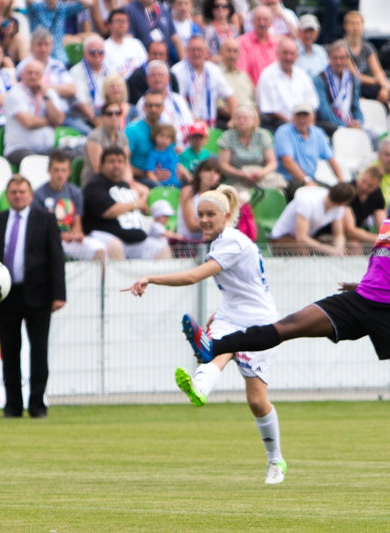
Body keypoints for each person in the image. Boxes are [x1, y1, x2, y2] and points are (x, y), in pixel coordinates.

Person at [180, 158, 390, 492]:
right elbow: (386, 260)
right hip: (362, 300)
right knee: (289, 325)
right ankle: (212, 347)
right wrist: (362, 284)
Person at [123, 184, 288, 485]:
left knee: (256, 400)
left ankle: (276, 461)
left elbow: (192, 276)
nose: (204, 220)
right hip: (230, 315)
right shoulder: (222, 241)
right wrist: (218, 311)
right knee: (218, 351)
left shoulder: (231, 242)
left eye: (210, 214)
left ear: (227, 215)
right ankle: (199, 386)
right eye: (200, 214)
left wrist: (151, 277)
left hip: (260, 322)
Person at [0, 175, 67, 419]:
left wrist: (59, 295)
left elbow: (56, 258)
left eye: (22, 191)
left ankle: (37, 405)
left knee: (39, 352)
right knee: (9, 353)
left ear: (30, 195)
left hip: (38, 294)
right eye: (14, 192)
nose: (18, 195)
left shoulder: (45, 219)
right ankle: (13, 405)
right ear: (7, 196)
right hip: (5, 296)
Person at [82, 146, 172, 259]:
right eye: (111, 161)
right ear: (101, 164)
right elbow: (109, 211)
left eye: (120, 161)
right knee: (115, 246)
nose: (116, 165)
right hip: (105, 236)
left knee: (161, 248)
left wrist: (141, 208)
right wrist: (136, 204)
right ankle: (115, 277)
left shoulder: (125, 185)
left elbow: (138, 208)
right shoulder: (95, 185)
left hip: (134, 239)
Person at [33, 150, 110, 261]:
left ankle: (98, 278)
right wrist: (59, 235)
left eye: (63, 170)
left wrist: (76, 235)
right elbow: (38, 226)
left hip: (69, 240)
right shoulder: (39, 194)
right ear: (49, 171)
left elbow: (77, 221)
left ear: (69, 172)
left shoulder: (76, 192)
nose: (60, 174)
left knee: (101, 250)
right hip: (48, 239)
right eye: (56, 170)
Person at [16, 29, 83, 135]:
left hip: (65, 115)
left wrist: (46, 87)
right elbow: (26, 89)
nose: (43, 49)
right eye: (39, 45)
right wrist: (58, 89)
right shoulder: (25, 67)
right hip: (39, 117)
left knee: (87, 133)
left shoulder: (57, 65)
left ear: (51, 47)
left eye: (46, 45)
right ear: (31, 47)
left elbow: (71, 90)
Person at [274, 104, 344, 198]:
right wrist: (306, 180)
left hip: (310, 178)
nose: (302, 119)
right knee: (314, 196)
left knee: (337, 195)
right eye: (298, 115)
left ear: (312, 117)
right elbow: (287, 162)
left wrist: (342, 182)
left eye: (305, 115)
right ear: (292, 117)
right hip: (288, 181)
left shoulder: (318, 133)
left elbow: (331, 159)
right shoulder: (283, 132)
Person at [4, 59, 66, 166]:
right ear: (22, 75)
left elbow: (59, 119)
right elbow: (29, 123)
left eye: (37, 73)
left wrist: (46, 96)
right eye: (29, 73)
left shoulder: (49, 93)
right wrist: (51, 121)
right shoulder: (15, 94)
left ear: (43, 76)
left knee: (66, 159)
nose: (33, 76)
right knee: (37, 162)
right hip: (19, 148)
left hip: (46, 149)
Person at [268, 182, 356, 256]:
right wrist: (330, 250)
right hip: (281, 238)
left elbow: (338, 234)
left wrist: (338, 249)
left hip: (305, 238)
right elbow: (301, 238)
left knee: (344, 251)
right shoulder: (307, 202)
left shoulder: (339, 208)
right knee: (302, 252)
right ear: (344, 202)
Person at [171, 35, 237, 127]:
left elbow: (230, 96)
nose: (196, 53)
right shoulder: (176, 71)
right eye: (193, 50)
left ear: (206, 52)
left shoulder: (213, 70)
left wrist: (234, 119)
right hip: (185, 125)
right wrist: (198, 122)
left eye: (200, 50)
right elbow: (178, 103)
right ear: (186, 51)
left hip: (210, 126)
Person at [256, 38, 319, 132]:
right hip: (278, 124)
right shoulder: (267, 75)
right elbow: (270, 111)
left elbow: (312, 105)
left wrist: (310, 126)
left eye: (292, 54)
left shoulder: (302, 75)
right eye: (285, 53)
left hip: (304, 123)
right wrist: (295, 124)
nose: (288, 57)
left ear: (297, 56)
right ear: (277, 54)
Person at [218, 104, 283, 194]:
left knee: (278, 192)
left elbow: (272, 163)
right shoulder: (227, 137)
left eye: (245, 118)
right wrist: (241, 174)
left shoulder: (262, 135)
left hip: (260, 176)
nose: (242, 121)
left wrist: (262, 172)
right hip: (236, 177)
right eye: (238, 118)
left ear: (254, 121)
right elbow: (223, 165)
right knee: (241, 196)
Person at [136, 60, 195, 150]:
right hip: (163, 151)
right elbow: (147, 133)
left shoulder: (179, 99)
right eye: (153, 75)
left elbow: (190, 125)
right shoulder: (143, 103)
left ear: (168, 78)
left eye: (161, 75)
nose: (157, 78)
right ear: (147, 79)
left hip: (187, 149)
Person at [313, 40, 364, 138]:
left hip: (350, 123)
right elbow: (324, 112)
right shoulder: (319, 80)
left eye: (342, 58)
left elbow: (356, 106)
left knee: (376, 134)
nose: (339, 62)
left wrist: (359, 122)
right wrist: (346, 125)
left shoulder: (353, 79)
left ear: (348, 59)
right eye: (335, 58)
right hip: (330, 125)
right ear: (329, 59)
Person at [342, 11, 390, 106]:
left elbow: (378, 71)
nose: (356, 27)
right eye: (352, 23)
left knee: (386, 100)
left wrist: (385, 87)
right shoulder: (342, 47)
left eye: (358, 23)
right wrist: (376, 81)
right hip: (350, 85)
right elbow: (355, 76)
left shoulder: (367, 47)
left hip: (368, 86)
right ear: (345, 26)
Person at [25, 0, 91, 66]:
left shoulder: (63, 7)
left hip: (60, 58)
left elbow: (89, 3)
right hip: (40, 57)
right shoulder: (36, 7)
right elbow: (28, 2)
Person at [82, 98, 130, 187]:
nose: (114, 116)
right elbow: (99, 169)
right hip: (96, 183)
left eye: (118, 113)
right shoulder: (95, 136)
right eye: (109, 114)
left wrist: (128, 183)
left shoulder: (123, 137)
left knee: (145, 192)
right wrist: (122, 185)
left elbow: (126, 166)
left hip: (118, 181)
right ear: (103, 116)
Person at [70, 35, 113, 129]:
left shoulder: (110, 69)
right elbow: (79, 100)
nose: (97, 54)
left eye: (100, 51)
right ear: (85, 53)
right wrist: (94, 119)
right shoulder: (76, 71)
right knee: (93, 136)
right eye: (92, 52)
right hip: (84, 117)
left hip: (107, 113)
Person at [343, 166, 386, 251]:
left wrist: (385, 238)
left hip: (357, 231)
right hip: (340, 230)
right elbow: (350, 230)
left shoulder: (377, 195)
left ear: (377, 186)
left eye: (370, 186)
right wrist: (380, 239)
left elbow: (382, 226)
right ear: (361, 176)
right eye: (363, 181)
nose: (364, 187)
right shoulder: (348, 190)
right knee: (354, 244)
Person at [177, 157, 221, 240]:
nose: (212, 175)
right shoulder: (188, 191)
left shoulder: (218, 195)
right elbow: (192, 226)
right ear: (199, 173)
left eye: (216, 172)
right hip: (187, 244)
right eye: (208, 170)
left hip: (210, 242)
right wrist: (218, 225)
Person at [237, 6, 280, 85]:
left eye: (265, 19)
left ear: (271, 23)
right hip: (251, 91)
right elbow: (241, 72)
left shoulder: (277, 45)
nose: (262, 23)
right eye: (258, 19)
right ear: (252, 21)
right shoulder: (241, 43)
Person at [104, 8, 148, 80]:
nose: (121, 24)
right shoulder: (104, 47)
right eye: (118, 21)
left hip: (138, 84)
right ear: (109, 25)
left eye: (124, 21)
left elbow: (145, 66)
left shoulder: (136, 43)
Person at [217, 39, 255, 121]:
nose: (232, 55)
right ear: (220, 52)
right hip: (228, 120)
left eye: (235, 51)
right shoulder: (216, 74)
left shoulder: (244, 76)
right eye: (229, 51)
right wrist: (240, 118)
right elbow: (220, 108)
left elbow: (254, 102)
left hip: (251, 120)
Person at [145, 123, 184, 188]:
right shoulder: (153, 154)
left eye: (167, 137)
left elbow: (179, 165)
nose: (164, 139)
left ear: (171, 140)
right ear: (155, 136)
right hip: (163, 186)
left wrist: (189, 178)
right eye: (161, 136)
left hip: (177, 185)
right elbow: (149, 173)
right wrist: (157, 184)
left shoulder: (172, 151)